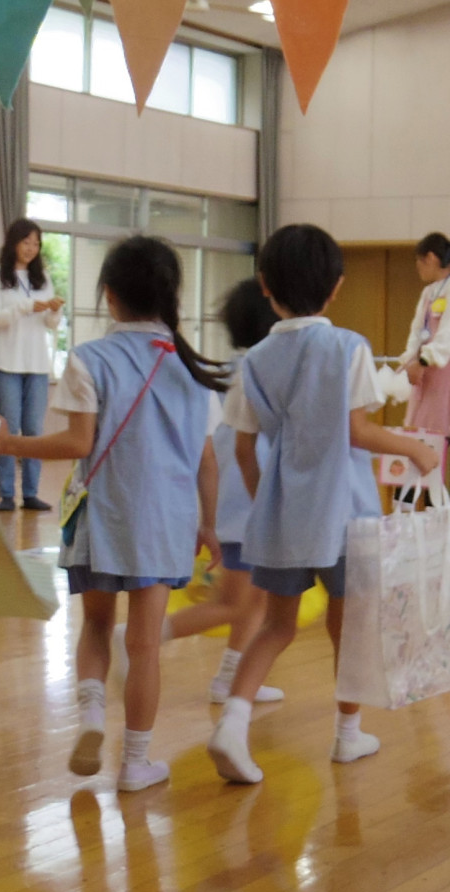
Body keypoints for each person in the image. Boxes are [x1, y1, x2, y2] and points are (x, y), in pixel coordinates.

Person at [204, 224, 443, 787]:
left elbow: (243, 446)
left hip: (284, 512)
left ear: (265, 286)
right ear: (336, 287)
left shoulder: (256, 358)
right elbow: (356, 430)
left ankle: (233, 724)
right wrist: (411, 445)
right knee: (349, 628)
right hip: (345, 511)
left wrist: (270, 495)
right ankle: (346, 734)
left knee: (275, 626)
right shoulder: (348, 347)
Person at [0, 236, 228, 791]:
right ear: (170, 296)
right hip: (165, 524)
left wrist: (8, 445)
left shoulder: (89, 358)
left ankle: (93, 715)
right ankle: (135, 762)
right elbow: (207, 460)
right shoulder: (192, 369)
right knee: (144, 646)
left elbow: (77, 443)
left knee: (96, 624)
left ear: (110, 296)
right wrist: (209, 524)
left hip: (101, 516)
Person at [166, 277, 288, 705]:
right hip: (245, 511)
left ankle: (232, 678)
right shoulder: (263, 375)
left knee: (253, 601)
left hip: (237, 508)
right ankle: (145, 637)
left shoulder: (232, 371)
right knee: (235, 602)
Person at [0, 218, 63, 512]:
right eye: (26, 242)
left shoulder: (42, 277)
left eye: (36, 243)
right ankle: (6, 494)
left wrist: (54, 312)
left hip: (37, 363)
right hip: (6, 362)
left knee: (33, 429)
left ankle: (30, 493)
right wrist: (23, 307)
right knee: (8, 428)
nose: (31, 248)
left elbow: (50, 324)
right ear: (13, 242)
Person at [398, 233, 450, 436]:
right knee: (421, 430)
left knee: (449, 431)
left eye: (420, 263)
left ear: (432, 258)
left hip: (449, 367)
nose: (419, 270)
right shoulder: (429, 292)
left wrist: (425, 360)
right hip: (427, 370)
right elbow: (417, 330)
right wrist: (410, 360)